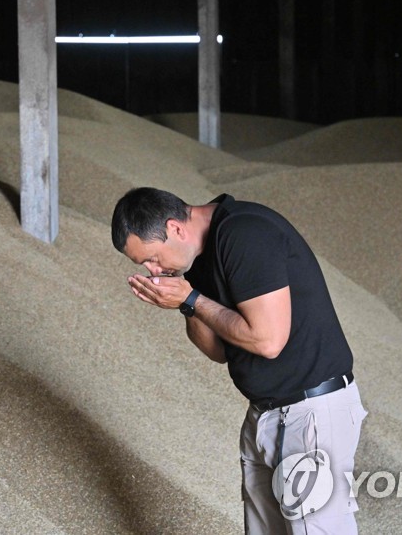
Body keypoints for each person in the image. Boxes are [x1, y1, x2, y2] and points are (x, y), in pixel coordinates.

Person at [111, 187, 367, 534]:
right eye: (144, 265)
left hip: (312, 413)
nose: (153, 269)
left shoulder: (244, 233)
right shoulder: (195, 257)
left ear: (175, 228)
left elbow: (267, 340)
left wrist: (193, 299)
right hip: (265, 415)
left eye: (153, 258)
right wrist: (185, 300)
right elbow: (217, 351)